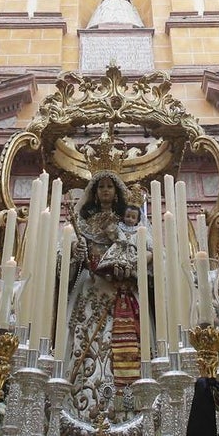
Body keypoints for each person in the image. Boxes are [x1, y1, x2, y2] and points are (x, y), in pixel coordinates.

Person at [64, 171, 148, 424]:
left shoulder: (129, 224)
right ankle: (80, 411)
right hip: (91, 293)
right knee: (83, 345)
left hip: (122, 293)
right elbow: (67, 268)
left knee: (124, 349)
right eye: (101, 187)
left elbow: (147, 252)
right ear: (94, 191)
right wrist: (75, 254)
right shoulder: (83, 224)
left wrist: (131, 265)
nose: (105, 191)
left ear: (117, 191)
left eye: (110, 186)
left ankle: (128, 411)